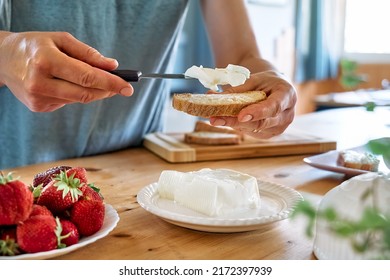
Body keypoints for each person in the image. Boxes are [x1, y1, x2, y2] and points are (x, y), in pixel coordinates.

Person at [0, 0, 297, 169]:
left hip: (138, 172)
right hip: (17, 175)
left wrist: (273, 83)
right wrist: (6, 53)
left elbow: (244, 59)